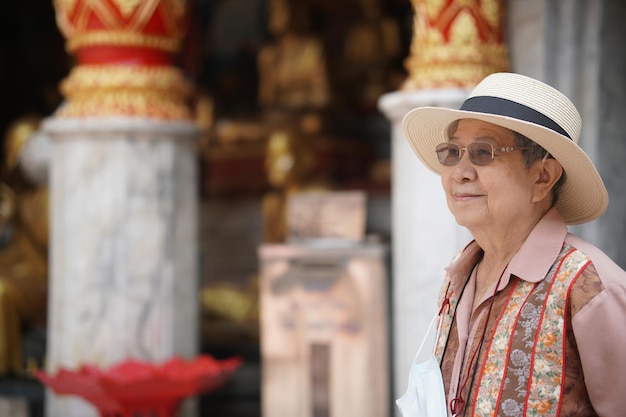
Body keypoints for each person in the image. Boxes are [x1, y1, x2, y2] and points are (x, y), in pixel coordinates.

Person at [400, 72, 626, 416]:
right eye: (452, 152)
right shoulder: (460, 273)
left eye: (482, 152)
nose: (459, 172)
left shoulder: (590, 287)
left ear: (542, 177)